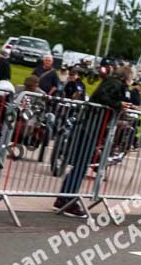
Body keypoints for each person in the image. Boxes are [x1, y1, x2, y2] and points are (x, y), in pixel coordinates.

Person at [53, 66, 131, 218]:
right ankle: (66, 199)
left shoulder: (111, 83)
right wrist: (118, 104)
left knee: (81, 165)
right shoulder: (113, 83)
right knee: (81, 165)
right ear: (125, 77)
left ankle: (65, 198)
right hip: (90, 127)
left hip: (91, 126)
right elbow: (102, 98)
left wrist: (120, 105)